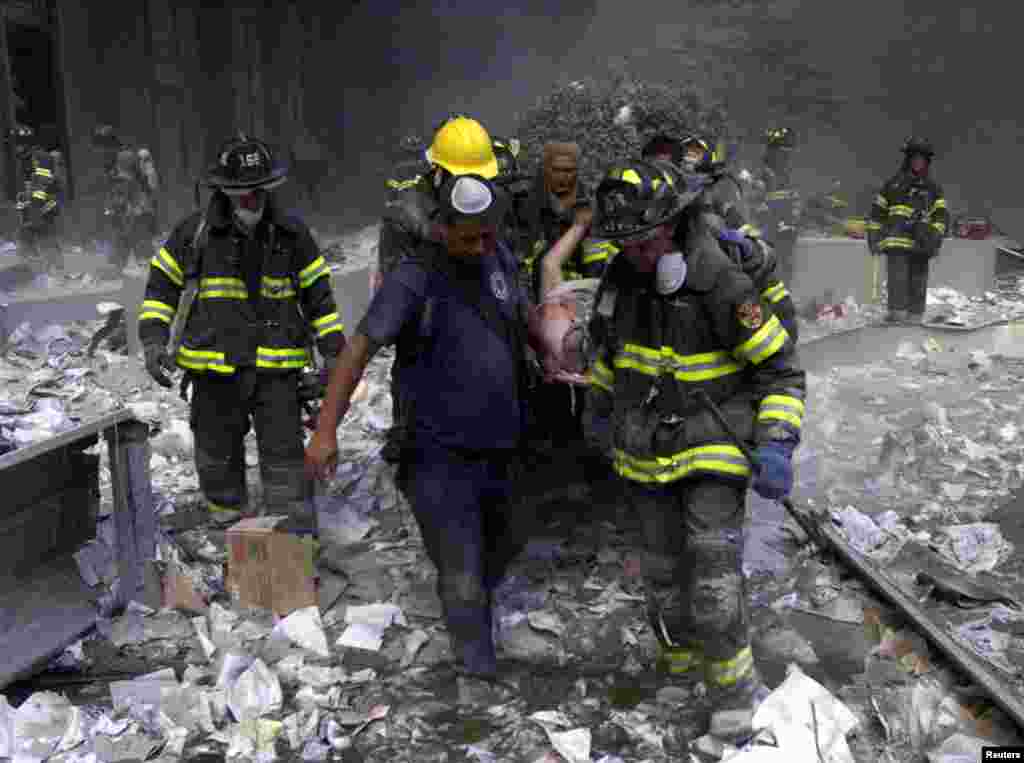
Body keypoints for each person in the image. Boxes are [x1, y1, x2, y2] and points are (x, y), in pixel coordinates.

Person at [546, 158, 806, 727]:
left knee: (713, 581)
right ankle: (680, 672)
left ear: (673, 224)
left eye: (645, 241)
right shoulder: (622, 280)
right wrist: (597, 414)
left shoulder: (721, 282)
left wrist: (777, 442)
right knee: (661, 581)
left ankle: (733, 698)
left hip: (712, 447)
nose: (636, 254)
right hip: (644, 455)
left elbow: (780, 372)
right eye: (626, 243)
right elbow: (612, 362)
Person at [306, 174, 535, 678]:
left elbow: (522, 323)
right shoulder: (415, 277)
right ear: (442, 229)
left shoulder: (499, 259)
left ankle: (473, 626)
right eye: (470, 236)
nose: (481, 246)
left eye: (488, 234)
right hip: (436, 454)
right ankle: (477, 682)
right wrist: (327, 430)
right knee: (461, 573)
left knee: (507, 542)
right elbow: (357, 352)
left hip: (500, 446)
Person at [138, 134, 346, 534]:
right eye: (243, 194)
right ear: (223, 192)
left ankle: (291, 544)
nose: (253, 202)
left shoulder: (292, 235)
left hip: (277, 374)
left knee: (285, 461)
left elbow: (320, 298)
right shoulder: (193, 234)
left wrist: (334, 354)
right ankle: (228, 534)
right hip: (214, 370)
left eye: (260, 192)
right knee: (216, 459)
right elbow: (161, 288)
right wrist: (152, 340)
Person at [372, 116, 500, 463]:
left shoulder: (485, 201)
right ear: (439, 172)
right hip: (425, 319)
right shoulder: (406, 214)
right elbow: (395, 277)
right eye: (463, 175)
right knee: (415, 376)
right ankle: (407, 438)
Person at [641, 133, 797, 340]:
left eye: (699, 180)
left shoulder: (721, 208)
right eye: (683, 177)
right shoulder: (654, 215)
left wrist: (747, 247)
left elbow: (747, 234)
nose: (691, 190)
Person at [867, 137, 947, 324]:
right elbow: (877, 214)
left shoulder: (933, 188)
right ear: (908, 159)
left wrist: (933, 237)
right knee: (897, 290)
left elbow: (941, 216)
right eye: (915, 158)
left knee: (918, 292)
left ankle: (914, 328)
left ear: (927, 162)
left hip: (920, 246)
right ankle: (896, 328)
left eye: (922, 159)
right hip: (896, 246)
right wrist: (873, 238)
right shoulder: (893, 185)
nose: (918, 162)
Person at [91, 125, 160, 275]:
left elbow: (126, 185)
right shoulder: (113, 159)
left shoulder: (124, 157)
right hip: (131, 209)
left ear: (108, 144)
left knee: (140, 246)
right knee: (122, 243)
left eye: (101, 147)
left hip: (136, 208)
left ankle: (150, 274)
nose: (99, 151)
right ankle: (119, 268)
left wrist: (115, 207)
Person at [12, 124, 64, 275]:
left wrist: (35, 205)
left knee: (45, 235)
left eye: (18, 143)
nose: (16, 148)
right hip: (34, 204)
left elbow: (43, 182)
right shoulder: (26, 158)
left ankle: (55, 271)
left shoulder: (40, 157)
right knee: (26, 236)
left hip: (43, 205)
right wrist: (24, 199)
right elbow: (31, 183)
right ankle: (34, 272)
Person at [755, 126, 801, 284]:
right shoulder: (764, 173)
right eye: (783, 152)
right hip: (771, 231)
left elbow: (792, 198)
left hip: (786, 230)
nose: (787, 156)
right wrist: (774, 223)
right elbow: (757, 205)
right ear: (773, 152)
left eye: (788, 153)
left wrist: (793, 221)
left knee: (787, 268)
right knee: (770, 268)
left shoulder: (786, 172)